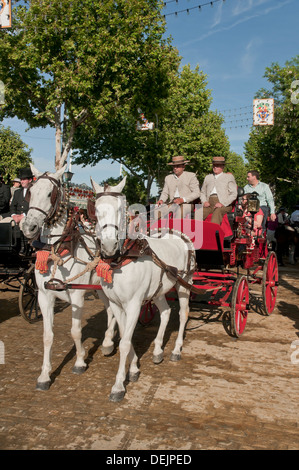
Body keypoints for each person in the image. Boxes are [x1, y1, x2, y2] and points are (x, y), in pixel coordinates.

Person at [200, 156, 237, 225]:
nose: (215, 167)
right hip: (209, 203)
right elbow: (202, 192)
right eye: (214, 165)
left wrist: (222, 203)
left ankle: (212, 234)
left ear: (223, 167)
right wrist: (204, 201)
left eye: (218, 165)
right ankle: (196, 234)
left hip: (224, 204)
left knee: (217, 212)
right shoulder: (208, 177)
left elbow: (233, 194)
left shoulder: (229, 177)